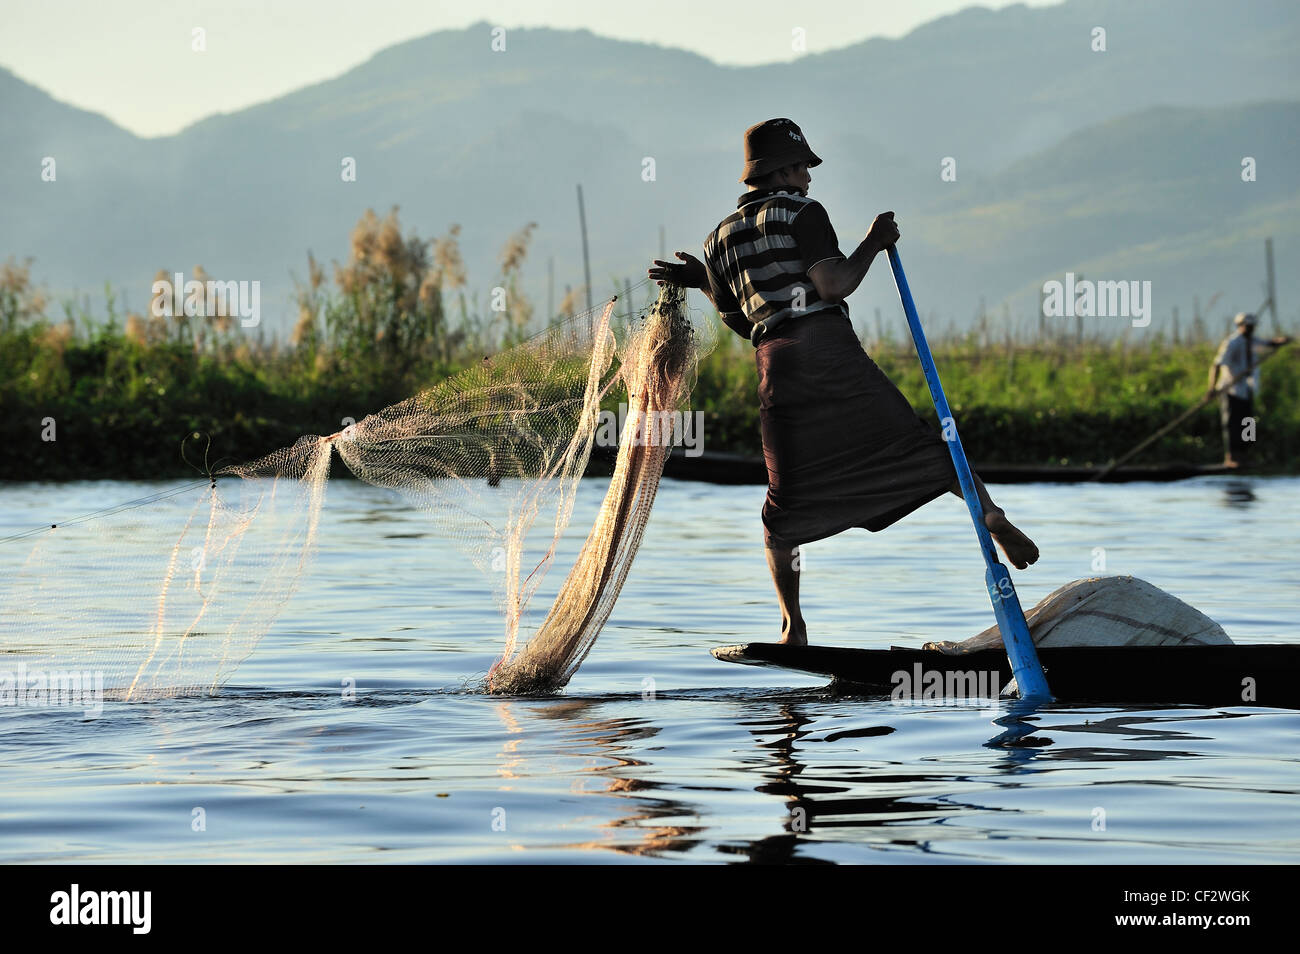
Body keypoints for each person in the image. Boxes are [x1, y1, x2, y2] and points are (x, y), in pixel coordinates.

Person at [648, 117, 1038, 646]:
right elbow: (832, 285)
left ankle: (793, 625)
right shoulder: (803, 212)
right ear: (784, 169)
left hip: (776, 366)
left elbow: (740, 322)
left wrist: (705, 280)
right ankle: (990, 512)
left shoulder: (718, 239)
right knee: (927, 446)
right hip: (828, 351)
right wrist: (874, 242)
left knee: (781, 509)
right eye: (804, 167)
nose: (809, 178)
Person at [1207, 312, 1290, 467]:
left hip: (1247, 389)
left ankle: (1246, 455)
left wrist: (1281, 341)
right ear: (1240, 326)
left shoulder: (1252, 340)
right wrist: (1211, 388)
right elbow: (1217, 365)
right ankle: (1231, 457)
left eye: (1252, 327)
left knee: (1249, 422)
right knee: (1232, 424)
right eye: (1248, 327)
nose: (1250, 330)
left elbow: (1268, 343)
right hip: (1231, 389)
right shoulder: (1232, 343)